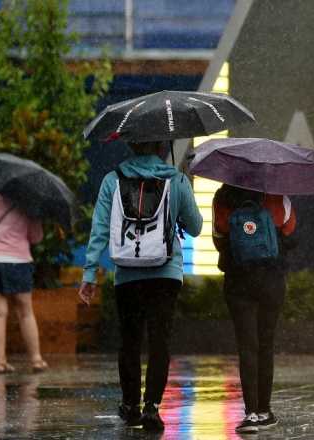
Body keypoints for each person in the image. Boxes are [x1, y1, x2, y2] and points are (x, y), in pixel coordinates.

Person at [77, 140, 203, 431]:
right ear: (162, 148)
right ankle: (152, 407)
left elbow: (99, 228)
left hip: (127, 273)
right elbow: (195, 227)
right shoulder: (176, 180)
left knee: (130, 341)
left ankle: (131, 405)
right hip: (166, 274)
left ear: (133, 146)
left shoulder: (113, 179)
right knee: (160, 341)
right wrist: (184, 190)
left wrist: (89, 272)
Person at [212, 184, 296, 433]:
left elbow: (219, 239)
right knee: (266, 343)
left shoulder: (223, 197)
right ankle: (265, 410)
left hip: (238, 281)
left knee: (246, 345)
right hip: (271, 280)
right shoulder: (278, 195)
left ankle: (251, 414)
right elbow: (291, 232)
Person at [0, 193, 47, 374]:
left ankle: (0, 362)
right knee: (25, 312)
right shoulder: (30, 204)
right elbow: (36, 237)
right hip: (18, 261)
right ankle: (36, 360)